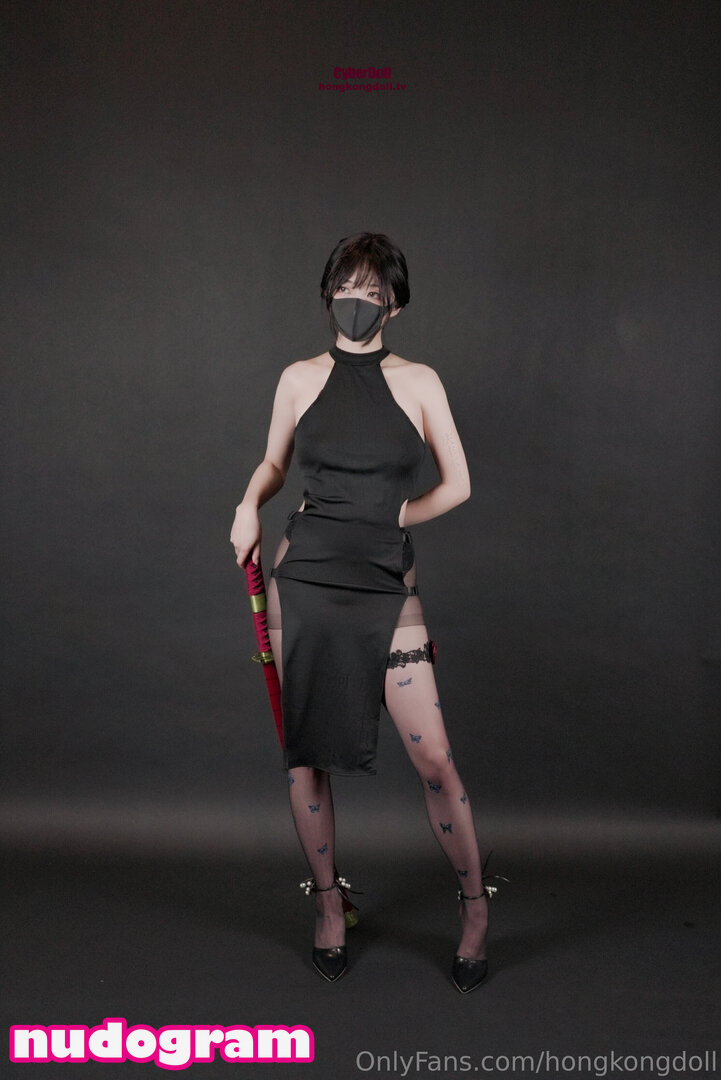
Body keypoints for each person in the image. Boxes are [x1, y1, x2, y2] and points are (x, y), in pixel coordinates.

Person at [230, 233, 491, 992]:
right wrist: (248, 504)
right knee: (306, 753)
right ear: (327, 292)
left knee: (434, 757)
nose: (356, 302)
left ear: (396, 305)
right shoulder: (297, 378)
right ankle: (328, 905)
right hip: (306, 574)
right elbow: (275, 462)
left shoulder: (419, 382)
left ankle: (475, 907)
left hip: (382, 575)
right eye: (346, 287)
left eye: (373, 293)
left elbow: (458, 483)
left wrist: (395, 515)